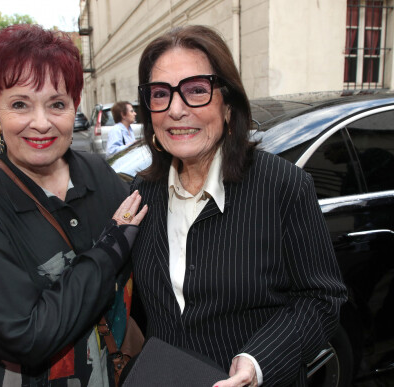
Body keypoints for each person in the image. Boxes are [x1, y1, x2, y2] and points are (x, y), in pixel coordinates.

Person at [130, 25, 347, 387]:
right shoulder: (144, 192)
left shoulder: (282, 185)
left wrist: (257, 362)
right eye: (160, 94)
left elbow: (322, 298)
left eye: (196, 90)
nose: (177, 110)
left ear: (228, 105)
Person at [0, 24, 148, 387]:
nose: (41, 123)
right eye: (20, 104)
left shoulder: (98, 173)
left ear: (73, 107)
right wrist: (110, 249)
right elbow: (26, 335)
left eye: (57, 104)